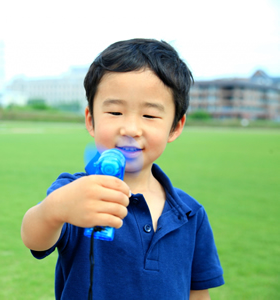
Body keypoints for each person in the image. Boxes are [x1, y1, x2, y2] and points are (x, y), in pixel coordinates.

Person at [21, 39, 224, 299]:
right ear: (91, 120)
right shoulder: (77, 192)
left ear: (175, 126)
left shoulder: (190, 213)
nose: (130, 128)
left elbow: (198, 292)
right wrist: (54, 209)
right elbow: (33, 238)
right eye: (115, 112)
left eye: (149, 115)